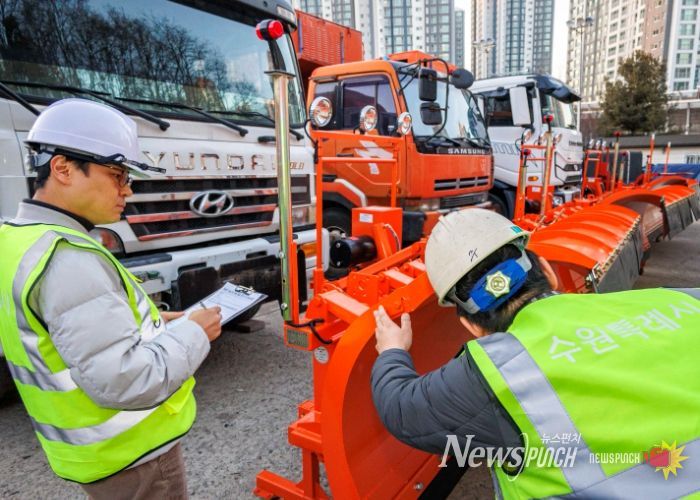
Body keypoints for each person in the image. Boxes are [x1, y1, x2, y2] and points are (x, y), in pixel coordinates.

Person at [371, 208, 700, 499]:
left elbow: (400, 407)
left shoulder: (494, 376)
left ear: (470, 326)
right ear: (547, 270)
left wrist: (392, 349)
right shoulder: (681, 302)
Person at [0, 98, 223, 499]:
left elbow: (63, 334)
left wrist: (157, 323)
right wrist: (195, 333)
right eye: (117, 175)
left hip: (98, 456)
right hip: (134, 458)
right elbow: (126, 379)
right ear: (63, 168)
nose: (127, 189)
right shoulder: (69, 258)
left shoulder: (17, 239)